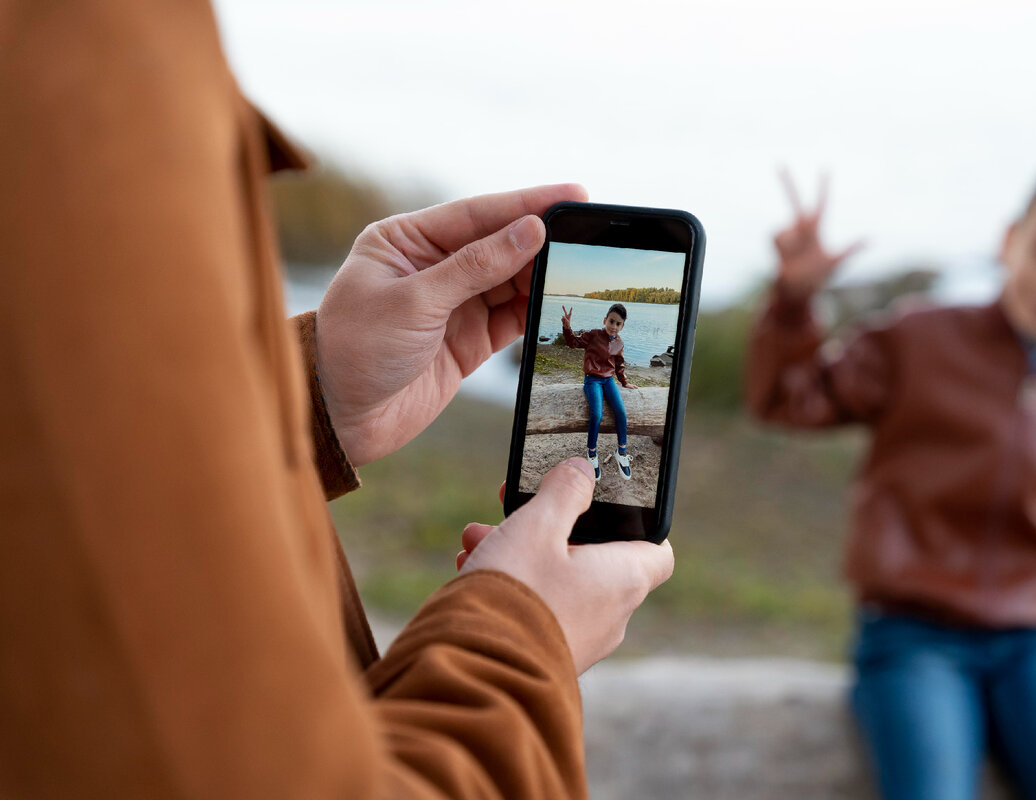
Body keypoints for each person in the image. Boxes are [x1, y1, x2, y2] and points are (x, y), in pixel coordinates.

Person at [0, 3, 673, 797]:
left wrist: (306, 397)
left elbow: (60, 464)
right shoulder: (73, 45)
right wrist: (523, 638)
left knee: (614, 421)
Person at [746, 149, 1036, 800]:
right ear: (1011, 240)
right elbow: (787, 398)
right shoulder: (918, 339)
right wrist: (793, 302)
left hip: (1034, 645)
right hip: (910, 633)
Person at [560, 303, 638, 480]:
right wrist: (567, 327)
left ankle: (621, 452)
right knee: (597, 414)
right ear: (605, 320)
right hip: (593, 380)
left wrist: (624, 382)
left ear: (622, 326)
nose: (614, 326)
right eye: (611, 321)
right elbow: (573, 343)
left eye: (618, 324)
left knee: (620, 411)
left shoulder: (619, 342)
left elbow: (619, 364)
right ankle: (592, 454)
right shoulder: (594, 335)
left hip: (609, 380)